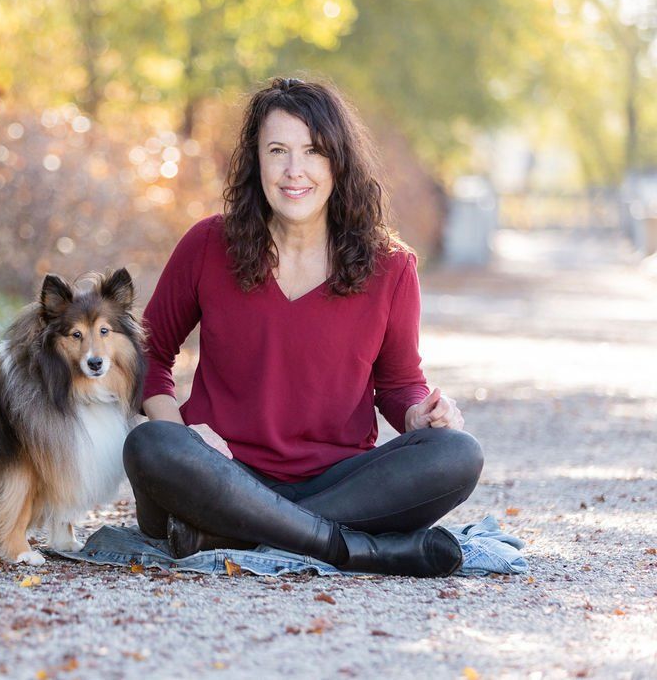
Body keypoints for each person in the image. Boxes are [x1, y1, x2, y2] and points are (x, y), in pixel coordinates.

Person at [122, 78, 484, 577]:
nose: (295, 171)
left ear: (338, 162)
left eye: (313, 151)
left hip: (339, 484)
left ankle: (240, 535)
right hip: (222, 474)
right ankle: (347, 548)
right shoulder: (208, 244)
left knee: (457, 453)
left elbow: (399, 385)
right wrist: (183, 433)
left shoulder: (390, 267)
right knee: (151, 444)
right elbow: (146, 355)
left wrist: (419, 417)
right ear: (256, 161)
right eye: (278, 151)